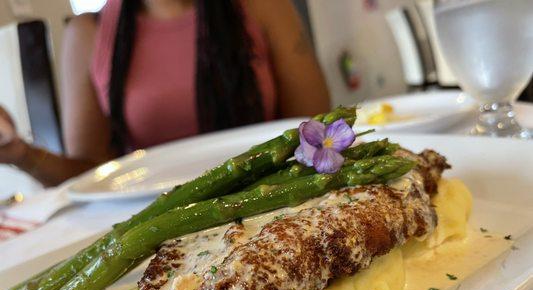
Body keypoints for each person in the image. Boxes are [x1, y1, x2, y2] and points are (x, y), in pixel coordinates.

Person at [0, 0, 330, 186]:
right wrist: (20, 154)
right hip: (157, 225)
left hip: (273, 192)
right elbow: (91, 176)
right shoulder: (89, 33)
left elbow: (316, 128)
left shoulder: (262, 7)